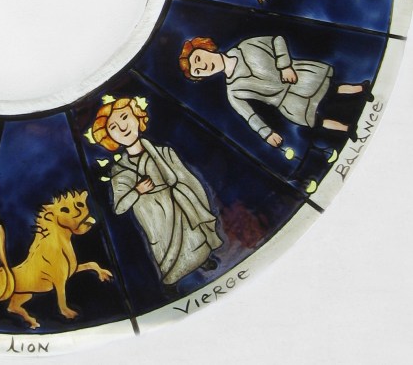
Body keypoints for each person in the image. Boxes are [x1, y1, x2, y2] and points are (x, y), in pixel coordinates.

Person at [90, 97, 222, 285]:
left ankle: (203, 260)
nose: (122, 127)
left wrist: (193, 199)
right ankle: (171, 279)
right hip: (153, 217)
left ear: (138, 117)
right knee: (164, 247)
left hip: (178, 204)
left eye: (125, 117)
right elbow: (119, 207)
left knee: (192, 238)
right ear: (109, 138)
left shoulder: (164, 152)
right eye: (113, 127)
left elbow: (186, 177)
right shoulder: (119, 171)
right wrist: (137, 191)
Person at [178, 35, 372, 145]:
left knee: (331, 89)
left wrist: (285, 66)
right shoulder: (233, 92)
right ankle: (347, 129)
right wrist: (267, 134)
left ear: (206, 47)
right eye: (198, 71)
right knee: (317, 121)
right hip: (287, 103)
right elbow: (249, 116)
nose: (203, 66)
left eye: (198, 59)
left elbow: (277, 41)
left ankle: (361, 90)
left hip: (297, 76)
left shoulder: (246, 46)